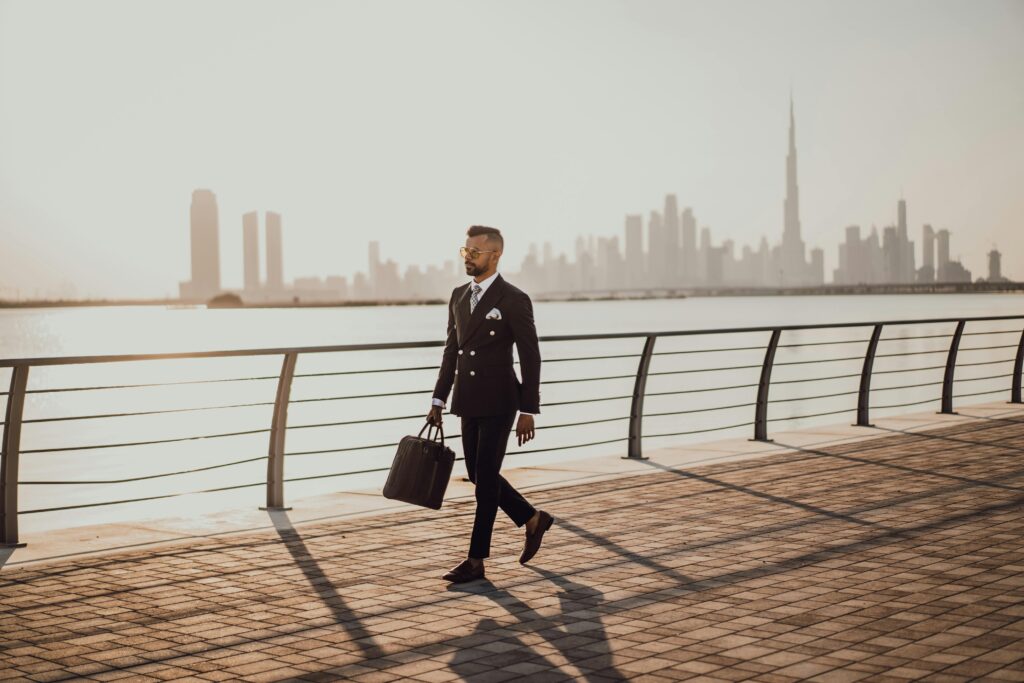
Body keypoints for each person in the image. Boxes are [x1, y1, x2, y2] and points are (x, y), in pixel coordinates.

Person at [427, 225, 554, 583]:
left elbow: (531, 355)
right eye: (464, 251)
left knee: (484, 483)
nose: (467, 257)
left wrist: (529, 409)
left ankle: (476, 560)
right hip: (467, 400)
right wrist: (438, 398)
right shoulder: (457, 296)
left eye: (475, 252)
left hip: (501, 400)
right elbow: (451, 351)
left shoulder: (513, 298)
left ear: (495, 255)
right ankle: (532, 518)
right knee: (480, 474)